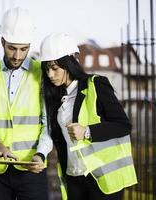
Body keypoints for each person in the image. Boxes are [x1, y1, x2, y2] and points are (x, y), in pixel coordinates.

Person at [39, 33, 138, 200]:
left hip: (102, 178)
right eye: (47, 68)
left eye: (55, 68)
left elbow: (123, 125)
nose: (50, 74)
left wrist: (87, 132)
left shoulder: (96, 85)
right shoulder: (56, 98)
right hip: (74, 178)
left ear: (69, 63)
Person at [0, 7, 53, 200]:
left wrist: (42, 154)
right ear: (2, 41)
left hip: (32, 167)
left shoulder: (43, 74)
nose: (17, 56)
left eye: (24, 49)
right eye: (12, 48)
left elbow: (49, 123)